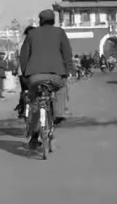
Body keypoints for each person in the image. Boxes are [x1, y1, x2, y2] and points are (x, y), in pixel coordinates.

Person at [20, 9, 74, 150]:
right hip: (56, 74)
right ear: (53, 20)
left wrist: (26, 73)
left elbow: (24, 56)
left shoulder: (31, 34)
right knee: (62, 87)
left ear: (40, 21)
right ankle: (58, 114)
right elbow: (67, 53)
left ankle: (33, 136)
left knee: (34, 102)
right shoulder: (60, 32)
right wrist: (69, 71)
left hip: (34, 76)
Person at [14, 25, 35, 118]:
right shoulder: (36, 42)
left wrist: (15, 69)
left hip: (21, 71)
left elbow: (15, 59)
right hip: (34, 71)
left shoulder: (20, 44)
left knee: (24, 90)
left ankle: (22, 108)